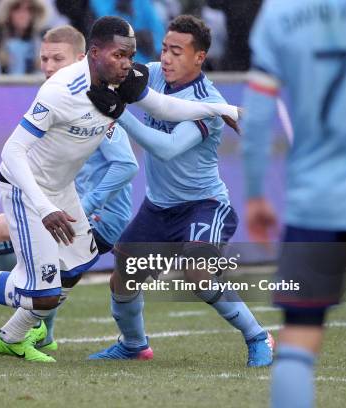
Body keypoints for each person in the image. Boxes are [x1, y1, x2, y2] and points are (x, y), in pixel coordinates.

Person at [0, 15, 240, 363]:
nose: (127, 64)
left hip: (61, 189)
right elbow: (12, 152)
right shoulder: (60, 91)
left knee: (74, 268)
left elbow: (164, 106)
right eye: (119, 56)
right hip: (27, 189)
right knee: (42, 294)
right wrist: (45, 208)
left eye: (131, 56)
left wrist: (222, 108)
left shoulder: (121, 80)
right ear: (95, 52)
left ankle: (11, 337)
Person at [88, 15, 273, 367]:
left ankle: (258, 336)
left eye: (177, 51)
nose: (167, 58)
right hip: (158, 208)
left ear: (199, 58)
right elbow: (116, 75)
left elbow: (167, 148)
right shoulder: (153, 73)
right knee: (123, 274)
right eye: (164, 49)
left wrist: (121, 113)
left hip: (204, 205)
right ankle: (133, 344)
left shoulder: (207, 101)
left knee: (197, 269)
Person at [241, 0, 346, 406]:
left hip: (313, 202)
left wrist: (256, 192)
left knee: (298, 339)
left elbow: (258, 114)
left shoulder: (279, 13)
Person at [0, 25, 139, 351]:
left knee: (42, 274)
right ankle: (35, 326)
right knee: (14, 245)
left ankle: (30, 323)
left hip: (99, 216)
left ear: (84, 59)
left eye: (58, 58)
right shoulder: (59, 96)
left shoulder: (98, 101)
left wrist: (87, 204)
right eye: (44, 58)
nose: (49, 66)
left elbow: (126, 164)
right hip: (65, 203)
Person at [0, 0, 48, 74]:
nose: (23, 15)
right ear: (9, 13)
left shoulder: (42, 43)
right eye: (17, 9)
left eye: (28, 10)